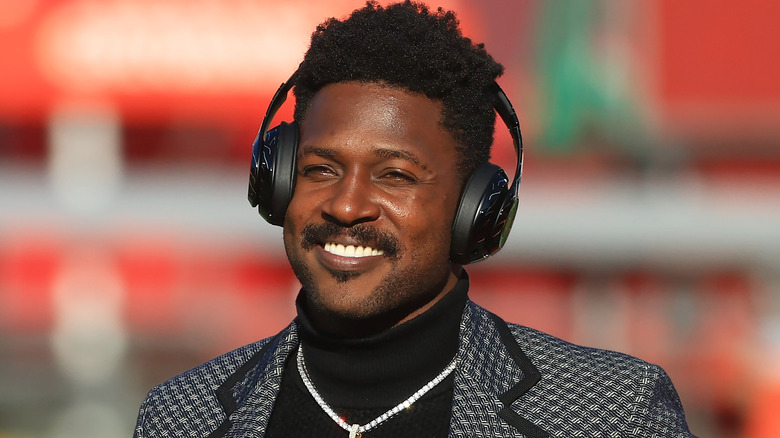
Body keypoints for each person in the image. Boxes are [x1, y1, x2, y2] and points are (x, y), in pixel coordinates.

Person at [134, 1, 695, 437]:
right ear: (277, 182)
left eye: (396, 176)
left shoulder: (612, 415)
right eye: (322, 169)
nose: (347, 206)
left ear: (476, 209)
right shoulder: (183, 418)